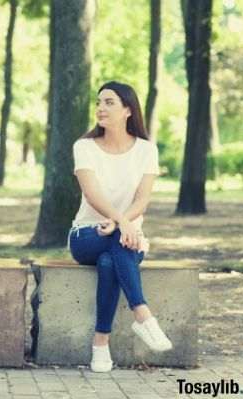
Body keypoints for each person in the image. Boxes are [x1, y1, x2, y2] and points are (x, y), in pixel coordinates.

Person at [69, 81, 172, 373]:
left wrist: (119, 224)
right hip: (87, 235)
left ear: (128, 110)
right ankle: (142, 315)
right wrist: (123, 223)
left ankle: (100, 345)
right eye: (99, 102)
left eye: (109, 102)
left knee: (108, 261)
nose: (101, 108)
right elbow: (92, 194)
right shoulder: (85, 147)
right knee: (114, 244)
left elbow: (143, 199)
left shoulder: (146, 150)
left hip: (126, 237)